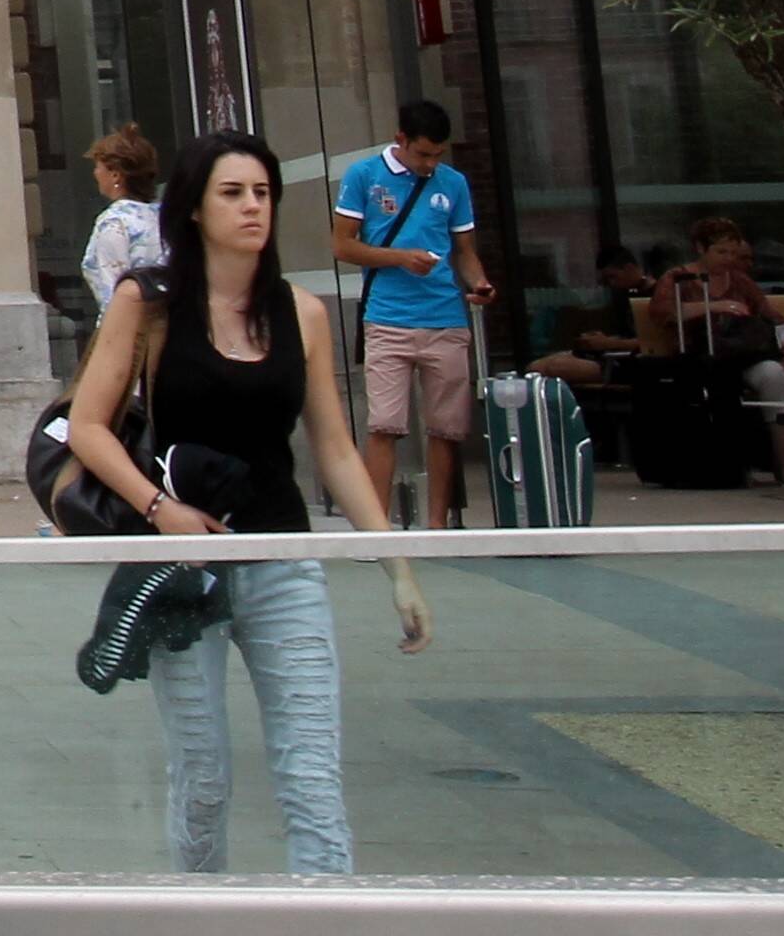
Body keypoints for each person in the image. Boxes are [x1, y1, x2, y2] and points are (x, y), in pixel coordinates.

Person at [66, 129, 432, 878]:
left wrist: (396, 565)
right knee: (202, 780)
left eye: (261, 192)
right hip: (183, 570)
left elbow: (332, 446)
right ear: (195, 209)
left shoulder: (299, 311)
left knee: (311, 776)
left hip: (283, 563)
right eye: (231, 193)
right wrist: (155, 506)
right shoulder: (149, 302)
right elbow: (85, 427)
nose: (251, 208)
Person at [329, 99, 493, 528]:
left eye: (438, 155)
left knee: (447, 429)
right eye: (423, 154)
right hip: (387, 316)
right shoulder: (364, 176)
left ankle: (437, 524)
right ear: (400, 140)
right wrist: (400, 257)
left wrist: (479, 283)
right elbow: (343, 245)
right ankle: (374, 527)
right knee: (384, 425)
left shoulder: (452, 183)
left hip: (445, 316)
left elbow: (465, 252)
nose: (430, 163)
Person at [664, 216, 784, 487]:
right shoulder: (679, 278)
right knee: (719, 380)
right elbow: (664, 314)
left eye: (732, 252)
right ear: (700, 249)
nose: (728, 258)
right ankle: (734, 461)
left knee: (773, 374)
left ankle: (783, 459)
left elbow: (769, 313)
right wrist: (712, 307)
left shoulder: (739, 280)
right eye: (721, 251)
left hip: (741, 355)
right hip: (700, 357)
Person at [525, 246, 656, 387]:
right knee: (536, 366)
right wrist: (602, 340)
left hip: (634, 364)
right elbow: (630, 335)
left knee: (552, 368)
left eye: (613, 277)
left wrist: (608, 343)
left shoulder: (655, 296)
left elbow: (655, 343)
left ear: (629, 268)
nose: (612, 284)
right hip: (615, 355)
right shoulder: (625, 297)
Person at [80, 125, 166, 318]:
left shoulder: (114, 222)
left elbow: (113, 291)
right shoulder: (164, 218)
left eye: (98, 166)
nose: (95, 173)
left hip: (130, 331)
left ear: (116, 175)